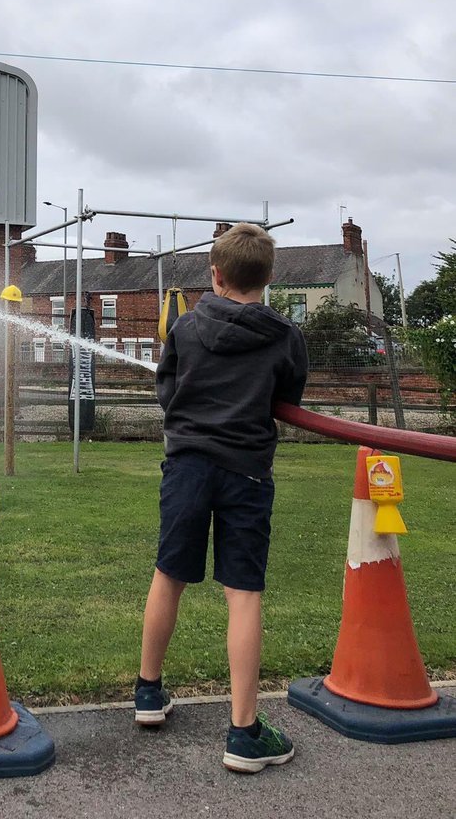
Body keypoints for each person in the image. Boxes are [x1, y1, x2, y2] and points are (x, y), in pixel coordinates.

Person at [136, 222, 308, 773]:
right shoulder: (284, 337)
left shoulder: (185, 327)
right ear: (269, 276)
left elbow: (168, 389)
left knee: (170, 574)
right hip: (248, 475)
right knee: (244, 594)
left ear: (215, 273)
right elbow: (289, 396)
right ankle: (243, 732)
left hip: (186, 467)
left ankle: (147, 692)